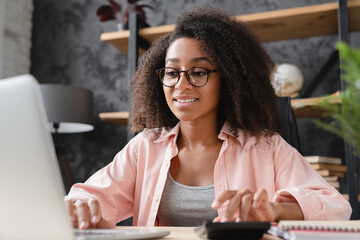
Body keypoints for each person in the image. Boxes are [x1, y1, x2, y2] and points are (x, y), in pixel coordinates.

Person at [65, 6, 352, 229]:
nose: (181, 84)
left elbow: (335, 207)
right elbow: (92, 196)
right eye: (172, 72)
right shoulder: (146, 146)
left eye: (198, 72)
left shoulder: (265, 147)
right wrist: (80, 206)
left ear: (228, 80)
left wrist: (276, 210)